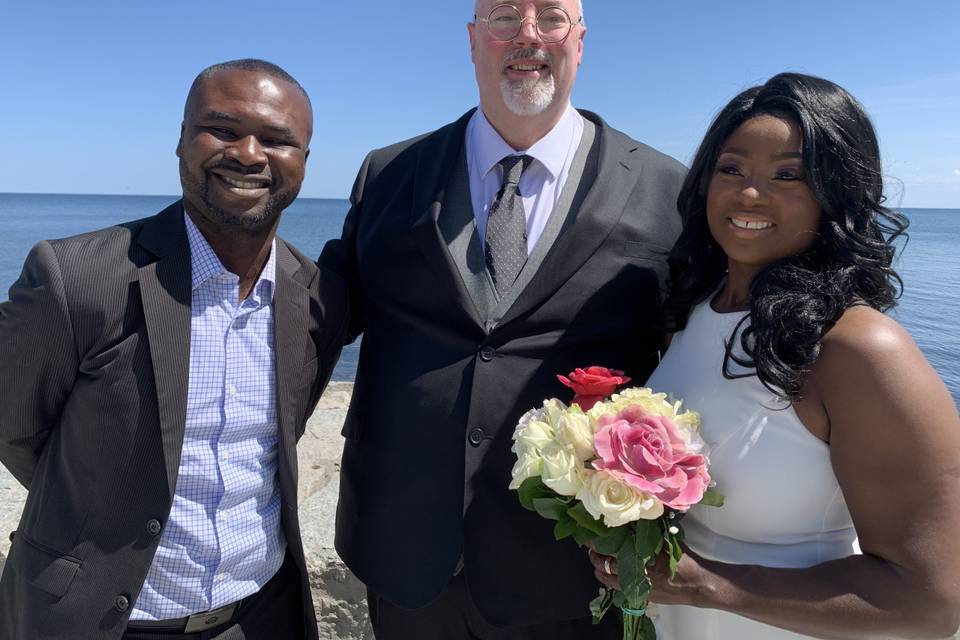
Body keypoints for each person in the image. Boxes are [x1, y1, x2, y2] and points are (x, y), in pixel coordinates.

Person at [319, 1, 686, 638]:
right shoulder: (388, 174)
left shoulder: (668, 191)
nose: (527, 35)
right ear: (471, 39)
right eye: (503, 15)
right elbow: (323, 307)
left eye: (551, 16)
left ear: (580, 40)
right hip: (403, 559)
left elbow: (703, 343)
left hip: (570, 572)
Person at [588, 72, 960, 639]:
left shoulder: (858, 349)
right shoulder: (692, 313)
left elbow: (933, 603)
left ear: (835, 194)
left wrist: (707, 586)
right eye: (731, 169)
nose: (749, 194)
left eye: (788, 175)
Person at [0, 59, 348, 640]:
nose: (249, 154)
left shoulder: (318, 297)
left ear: (304, 163)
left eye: (278, 139)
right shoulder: (75, 279)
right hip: (102, 621)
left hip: (261, 617)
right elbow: (14, 427)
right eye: (224, 129)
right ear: (182, 142)